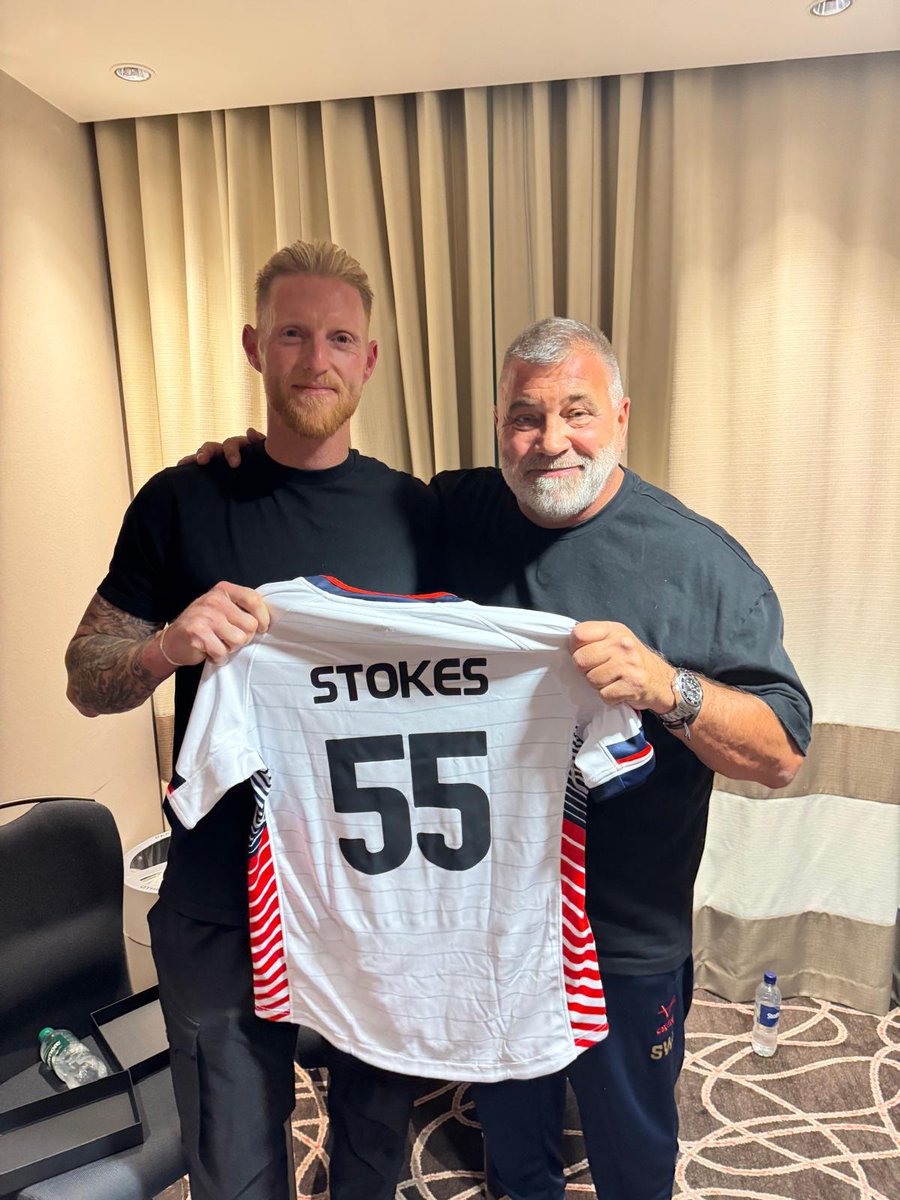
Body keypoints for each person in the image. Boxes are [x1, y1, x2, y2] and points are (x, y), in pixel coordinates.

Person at [200, 317, 811, 1200]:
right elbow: (335, 506)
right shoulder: (454, 512)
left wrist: (667, 685)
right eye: (526, 417)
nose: (551, 440)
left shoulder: (697, 563)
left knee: (634, 1151)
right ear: (498, 426)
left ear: (622, 416)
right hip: (485, 921)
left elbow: (782, 752)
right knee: (515, 1151)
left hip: (624, 930)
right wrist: (253, 466)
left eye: (577, 412)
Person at [65, 239, 439, 1200]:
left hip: (373, 888)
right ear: (253, 346)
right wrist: (168, 645)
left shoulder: (420, 515)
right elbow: (86, 678)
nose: (316, 359)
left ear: (369, 359)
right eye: (292, 335)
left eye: (339, 339)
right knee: (232, 1158)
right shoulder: (181, 500)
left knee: (374, 1149)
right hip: (220, 889)